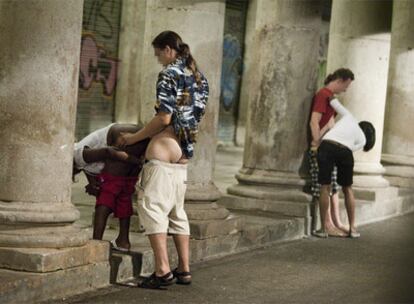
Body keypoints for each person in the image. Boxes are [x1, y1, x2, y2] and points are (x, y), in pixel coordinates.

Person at [118, 31, 209, 289]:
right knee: (177, 211)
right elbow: (194, 116)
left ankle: (162, 271)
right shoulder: (200, 76)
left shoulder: (169, 73)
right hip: (183, 150)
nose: (158, 59)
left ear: (169, 49)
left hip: (164, 144)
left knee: (153, 208)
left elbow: (164, 118)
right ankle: (184, 269)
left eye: (158, 53)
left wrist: (133, 138)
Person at [73, 124, 149, 251]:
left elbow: (108, 152)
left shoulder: (75, 155)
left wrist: (136, 162)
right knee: (123, 192)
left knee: (106, 196)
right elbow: (90, 169)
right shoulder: (81, 165)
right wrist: (92, 183)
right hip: (132, 139)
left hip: (120, 137)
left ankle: (97, 242)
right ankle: (123, 241)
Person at [317, 98, 375, 238]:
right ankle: (353, 229)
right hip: (344, 150)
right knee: (347, 188)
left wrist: (330, 93)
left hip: (326, 145)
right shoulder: (363, 139)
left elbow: (334, 103)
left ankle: (323, 230)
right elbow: (350, 148)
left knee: (324, 186)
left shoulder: (349, 116)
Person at [309, 68, 355, 237]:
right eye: (346, 85)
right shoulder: (323, 95)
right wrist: (316, 143)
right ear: (340, 80)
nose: (346, 89)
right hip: (322, 146)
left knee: (333, 185)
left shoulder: (331, 97)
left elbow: (330, 121)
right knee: (325, 185)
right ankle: (327, 224)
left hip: (330, 145)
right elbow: (315, 121)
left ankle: (337, 222)